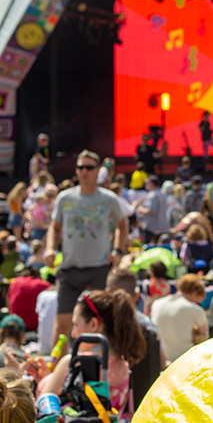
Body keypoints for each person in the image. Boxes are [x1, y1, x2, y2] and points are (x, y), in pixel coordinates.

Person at [44, 150, 128, 353]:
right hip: (70, 269)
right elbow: (54, 228)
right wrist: (49, 248)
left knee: (97, 326)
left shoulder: (108, 199)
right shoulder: (65, 198)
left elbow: (122, 226)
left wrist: (117, 250)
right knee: (63, 327)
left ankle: (98, 372)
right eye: (80, 167)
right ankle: (59, 377)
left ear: (97, 171)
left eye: (89, 167)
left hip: (97, 269)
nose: (84, 172)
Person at [28, 289, 146, 414]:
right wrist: (52, 378)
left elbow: (45, 409)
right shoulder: (122, 364)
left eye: (76, 324)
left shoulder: (73, 363)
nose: (73, 334)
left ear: (93, 324)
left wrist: (46, 383)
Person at [150, 274, 208, 363]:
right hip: (185, 360)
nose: (198, 303)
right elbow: (203, 337)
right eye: (198, 301)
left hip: (161, 361)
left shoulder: (156, 304)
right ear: (194, 293)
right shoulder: (195, 309)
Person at [7, 265, 51, 332]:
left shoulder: (14, 282)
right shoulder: (44, 284)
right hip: (36, 326)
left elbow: (8, 304)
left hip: (16, 325)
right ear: (38, 275)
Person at [135, 175, 169, 245]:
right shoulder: (162, 193)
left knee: (148, 248)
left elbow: (150, 211)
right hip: (162, 226)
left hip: (152, 228)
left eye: (147, 183)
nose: (146, 185)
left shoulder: (152, 195)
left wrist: (140, 209)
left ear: (152, 184)